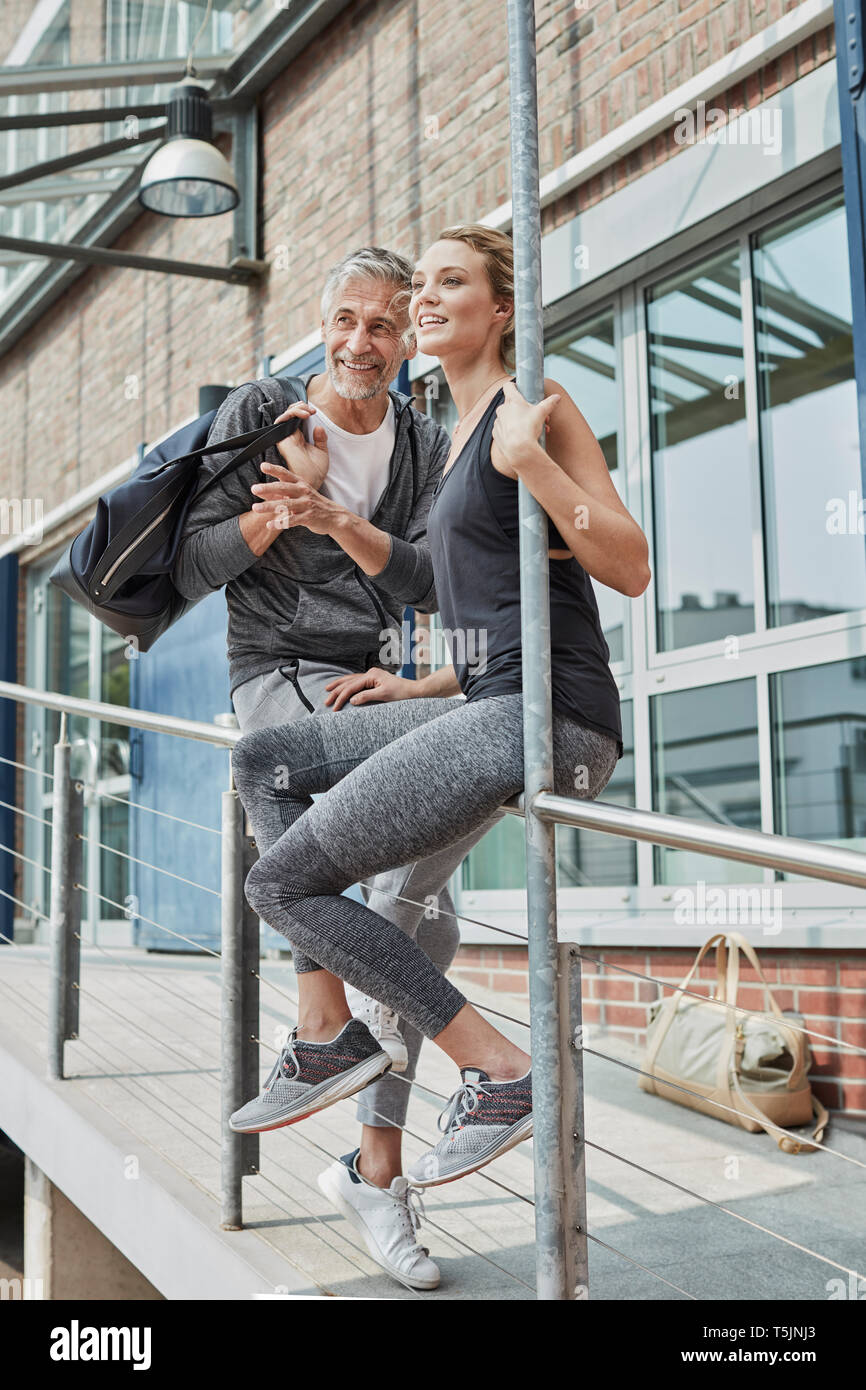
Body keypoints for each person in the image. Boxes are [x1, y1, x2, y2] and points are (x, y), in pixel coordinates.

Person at [227, 223, 650, 1230]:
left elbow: (628, 564)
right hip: (485, 698)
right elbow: (476, 595)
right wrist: (411, 676)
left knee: (283, 881)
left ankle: (497, 1071)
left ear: (499, 310)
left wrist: (533, 466)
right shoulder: (457, 429)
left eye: (448, 282)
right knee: (268, 759)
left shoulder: (528, 412)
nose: (423, 296)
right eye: (419, 281)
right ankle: (327, 1031)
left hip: (553, 718)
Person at [173, 246, 505, 1291]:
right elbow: (189, 562)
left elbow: (422, 582)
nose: (360, 343)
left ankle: (361, 1131)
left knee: (419, 912)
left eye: (383, 326)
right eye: (345, 322)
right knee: (381, 904)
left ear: (410, 339)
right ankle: (348, 1084)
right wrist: (272, 517)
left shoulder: (420, 441)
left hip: (368, 680)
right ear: (319, 324)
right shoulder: (261, 413)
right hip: (276, 670)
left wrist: (337, 520)